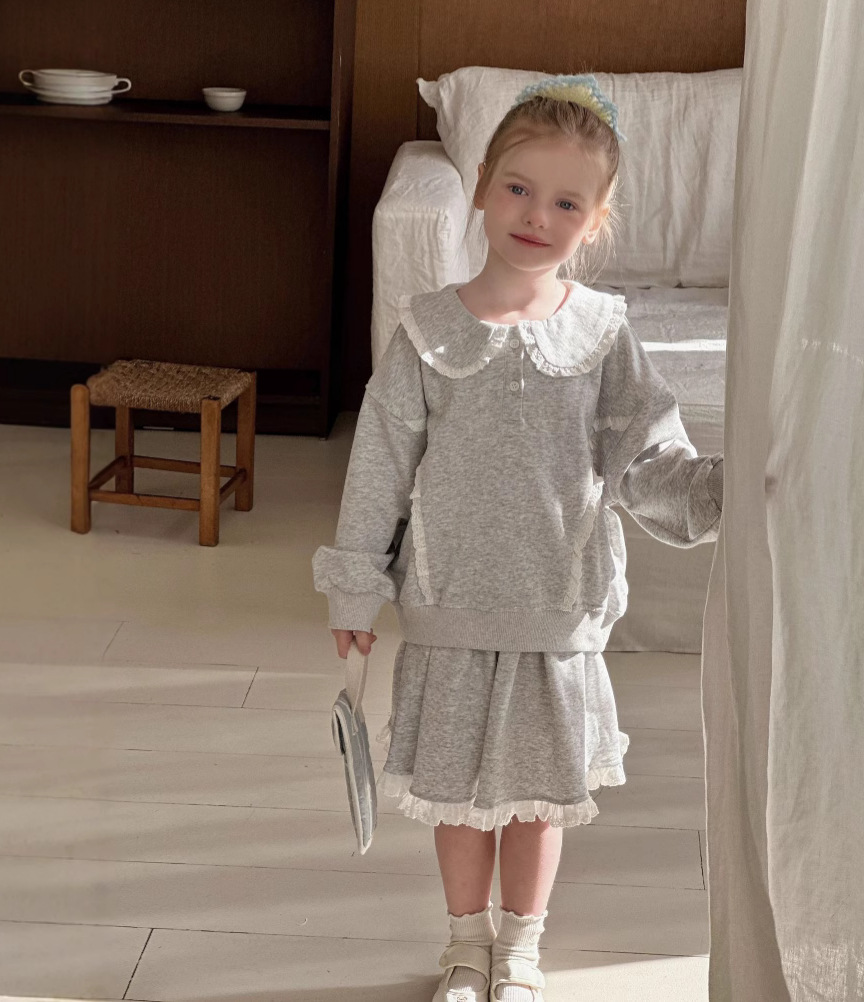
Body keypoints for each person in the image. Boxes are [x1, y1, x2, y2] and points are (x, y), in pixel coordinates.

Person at [313, 73, 724, 1002]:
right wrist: (356, 588)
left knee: (539, 801)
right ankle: (467, 946)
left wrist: (721, 493)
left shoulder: (606, 336)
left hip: (556, 611)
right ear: (481, 189)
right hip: (451, 607)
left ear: (597, 221)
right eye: (519, 188)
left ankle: (523, 950)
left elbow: (647, 459)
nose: (538, 215)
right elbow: (378, 465)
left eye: (567, 202)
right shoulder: (426, 332)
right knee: (458, 799)